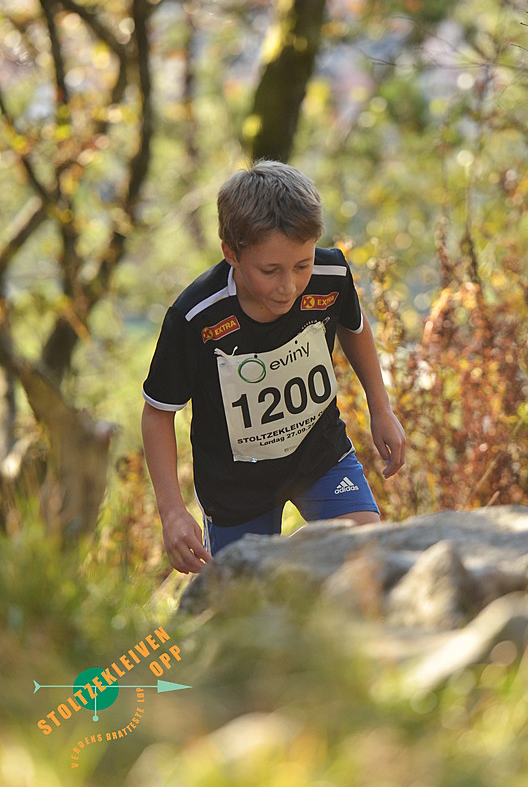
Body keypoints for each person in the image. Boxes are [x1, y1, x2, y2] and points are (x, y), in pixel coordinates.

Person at [142, 160, 406, 573]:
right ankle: (265, 575)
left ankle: (285, 570)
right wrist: (172, 510)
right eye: (270, 271)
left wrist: (381, 407)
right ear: (231, 253)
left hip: (318, 452)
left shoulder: (330, 273)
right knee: (243, 590)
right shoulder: (196, 318)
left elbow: (354, 326)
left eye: (302, 265)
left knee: (363, 546)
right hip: (235, 484)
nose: (289, 286)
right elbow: (158, 412)